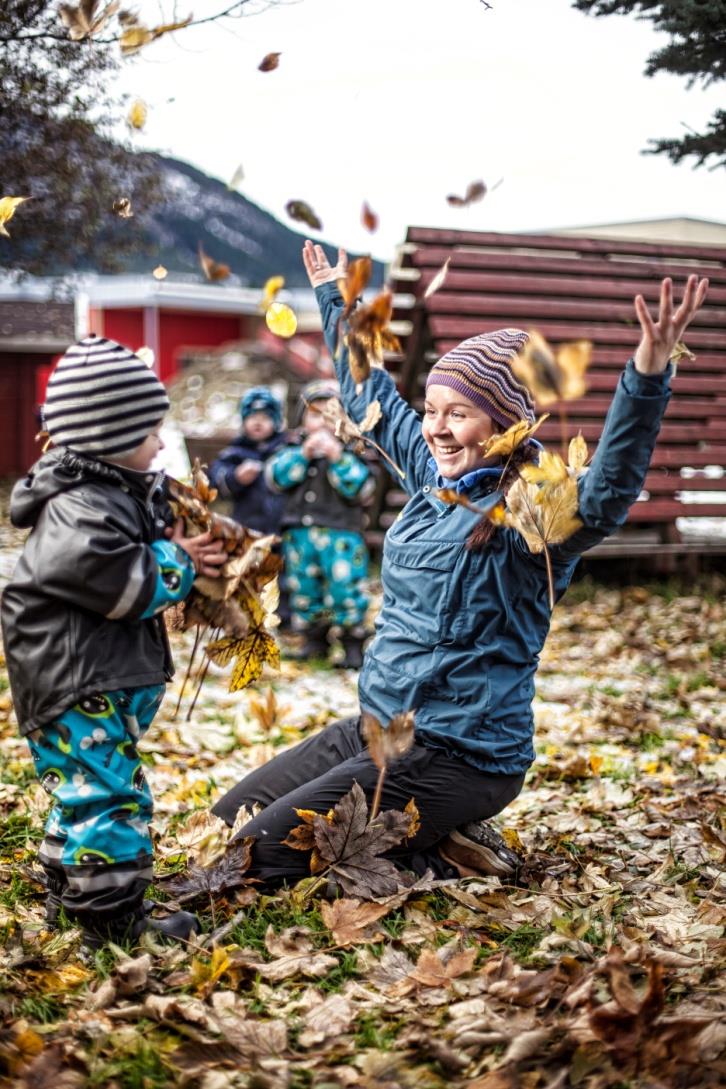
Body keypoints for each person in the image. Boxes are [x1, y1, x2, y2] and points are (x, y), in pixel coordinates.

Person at [211, 242, 708, 887]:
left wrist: (646, 373)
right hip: (377, 730)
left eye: (460, 413)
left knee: (250, 860)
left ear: (503, 423)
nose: (437, 430)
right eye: (434, 411)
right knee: (229, 821)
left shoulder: (531, 514)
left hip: (458, 754)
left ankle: (439, 850)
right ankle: (444, 843)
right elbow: (372, 400)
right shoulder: (433, 481)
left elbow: (609, 488)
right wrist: (336, 302)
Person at [0, 335, 227, 947]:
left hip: (88, 676)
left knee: (83, 791)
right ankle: (111, 919)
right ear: (108, 434)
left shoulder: (108, 493)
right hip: (77, 682)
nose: (160, 441)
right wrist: (178, 562)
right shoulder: (83, 507)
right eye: (151, 429)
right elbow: (118, 582)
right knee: (111, 798)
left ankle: (70, 892)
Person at [266, 379, 374, 668]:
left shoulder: (352, 451)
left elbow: (361, 489)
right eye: (316, 415)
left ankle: (352, 644)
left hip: (341, 536)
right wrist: (303, 455)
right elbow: (276, 478)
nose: (323, 424)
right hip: (299, 535)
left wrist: (338, 458)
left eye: (331, 416)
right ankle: (314, 640)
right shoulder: (293, 449)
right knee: (304, 587)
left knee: (345, 588)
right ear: (302, 420)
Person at [208, 386, 288, 536]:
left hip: (281, 530)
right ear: (244, 421)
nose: (258, 422)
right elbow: (215, 478)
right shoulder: (235, 452)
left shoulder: (284, 451)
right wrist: (236, 477)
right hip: (247, 529)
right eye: (252, 417)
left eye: (265, 418)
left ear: (276, 422)